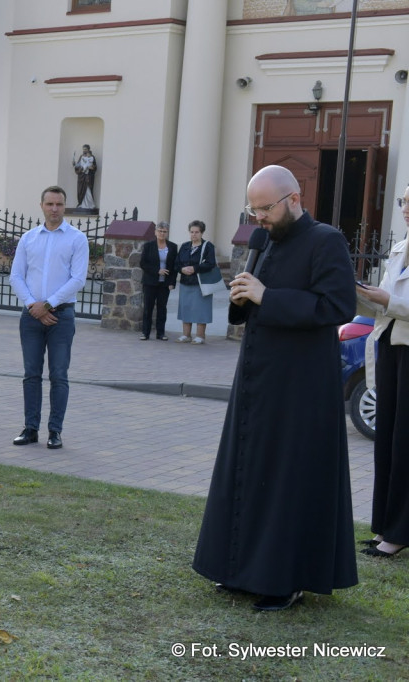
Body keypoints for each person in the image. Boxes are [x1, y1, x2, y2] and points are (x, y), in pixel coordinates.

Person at [192, 164, 358, 611]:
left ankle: (285, 579)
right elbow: (255, 301)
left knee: (288, 476)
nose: (258, 219)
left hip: (302, 384)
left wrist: (267, 296)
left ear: (293, 199)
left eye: (265, 209)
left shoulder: (326, 241)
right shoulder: (262, 241)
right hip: (256, 378)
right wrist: (243, 298)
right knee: (248, 466)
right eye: (253, 210)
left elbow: (337, 305)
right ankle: (239, 569)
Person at [9, 186, 89, 449]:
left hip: (61, 317)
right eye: (50, 204)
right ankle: (30, 428)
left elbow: (78, 278)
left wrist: (49, 304)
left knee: (58, 375)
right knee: (31, 374)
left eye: (59, 204)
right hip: (31, 316)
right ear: (41, 205)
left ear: (65, 206)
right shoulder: (28, 239)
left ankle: (55, 431)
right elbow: (16, 276)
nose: (54, 209)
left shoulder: (77, 239)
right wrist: (34, 306)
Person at [357, 183, 409, 558]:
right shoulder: (400, 245)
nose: (406, 207)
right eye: (404, 200)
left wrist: (387, 299)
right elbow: (389, 301)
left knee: (405, 442)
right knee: (387, 439)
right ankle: (385, 526)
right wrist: (365, 294)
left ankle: (400, 532)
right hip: (390, 344)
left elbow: (397, 301)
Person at [175, 220, 216, 344]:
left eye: (196, 232)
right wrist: (182, 269)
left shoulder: (208, 246)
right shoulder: (184, 246)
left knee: (201, 309)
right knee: (186, 308)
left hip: (201, 283)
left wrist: (194, 268)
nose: (194, 234)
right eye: (192, 232)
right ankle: (186, 335)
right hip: (185, 282)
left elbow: (210, 263)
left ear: (202, 232)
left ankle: (200, 336)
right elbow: (176, 263)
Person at [138, 221, 178, 341]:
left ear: (167, 233)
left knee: (162, 308)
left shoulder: (173, 247)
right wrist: (157, 270)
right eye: (160, 231)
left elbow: (174, 266)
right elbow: (143, 263)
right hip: (150, 282)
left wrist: (172, 282)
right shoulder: (148, 246)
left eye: (164, 231)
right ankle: (145, 333)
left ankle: (160, 333)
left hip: (164, 284)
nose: (162, 233)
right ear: (155, 232)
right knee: (148, 308)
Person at [73, 144, 98, 211]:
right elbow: (77, 166)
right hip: (81, 176)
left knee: (88, 190)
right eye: (83, 149)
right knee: (80, 190)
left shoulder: (92, 157)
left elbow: (94, 167)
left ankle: (90, 205)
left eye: (85, 149)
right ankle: (81, 204)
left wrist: (91, 167)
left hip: (88, 177)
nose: (84, 150)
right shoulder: (81, 157)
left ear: (88, 150)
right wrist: (75, 164)